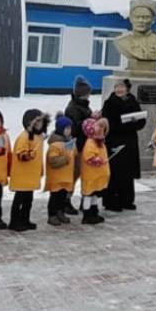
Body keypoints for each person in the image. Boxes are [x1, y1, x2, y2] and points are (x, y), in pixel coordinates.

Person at [100, 78, 144, 212]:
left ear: (127, 88)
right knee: (115, 171)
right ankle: (111, 201)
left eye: (122, 87)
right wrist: (125, 125)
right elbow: (109, 123)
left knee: (128, 171)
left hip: (130, 140)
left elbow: (141, 121)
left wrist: (135, 123)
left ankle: (127, 199)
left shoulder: (133, 101)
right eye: (117, 87)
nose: (119, 89)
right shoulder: (110, 103)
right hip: (115, 140)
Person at [9, 110, 47, 232]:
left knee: (28, 200)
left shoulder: (38, 137)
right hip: (22, 175)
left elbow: (39, 156)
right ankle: (14, 222)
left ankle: (25, 219)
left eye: (40, 121)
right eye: (36, 122)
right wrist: (29, 155)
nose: (39, 124)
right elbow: (20, 154)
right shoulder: (24, 137)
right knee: (19, 199)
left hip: (31, 175)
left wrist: (40, 169)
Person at [63, 77, 92, 213]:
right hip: (76, 146)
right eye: (86, 94)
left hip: (83, 145)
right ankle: (65, 201)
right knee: (72, 174)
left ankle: (77, 200)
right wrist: (90, 121)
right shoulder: (73, 108)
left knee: (80, 173)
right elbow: (74, 129)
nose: (88, 96)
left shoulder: (83, 106)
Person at [44, 115, 77, 226]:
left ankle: (60, 212)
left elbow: (73, 153)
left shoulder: (68, 142)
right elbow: (53, 160)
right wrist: (66, 158)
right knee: (55, 197)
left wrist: (73, 150)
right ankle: (52, 215)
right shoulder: (55, 145)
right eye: (66, 128)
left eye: (70, 128)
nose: (69, 131)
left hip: (66, 177)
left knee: (62, 197)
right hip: (56, 178)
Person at [79, 117, 111, 224]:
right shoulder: (90, 143)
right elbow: (89, 157)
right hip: (91, 175)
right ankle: (87, 215)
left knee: (95, 194)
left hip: (98, 175)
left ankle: (94, 212)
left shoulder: (99, 142)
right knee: (88, 195)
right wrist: (97, 161)